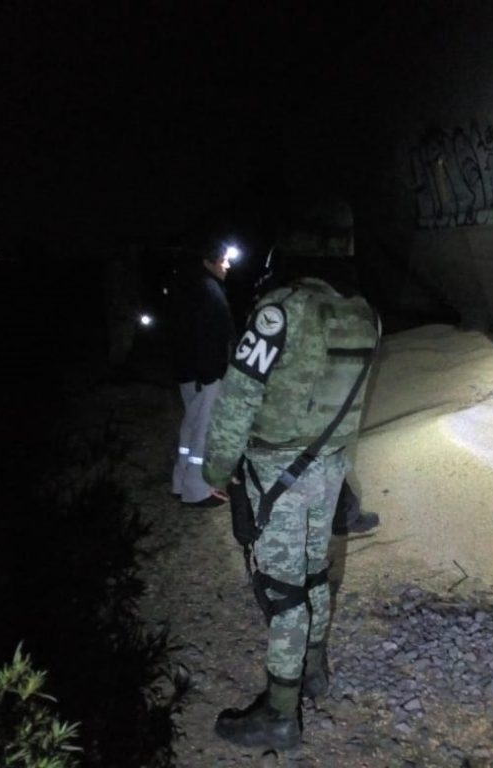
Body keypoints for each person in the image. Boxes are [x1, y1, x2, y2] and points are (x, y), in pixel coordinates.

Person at [202, 199, 380, 749]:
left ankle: (281, 714)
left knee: (281, 592)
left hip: (276, 471)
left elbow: (237, 400)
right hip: (328, 468)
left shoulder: (279, 310)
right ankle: (314, 674)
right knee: (312, 576)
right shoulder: (364, 313)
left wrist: (217, 469)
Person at [170, 241, 237, 507]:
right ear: (207, 261)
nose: (228, 265)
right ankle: (198, 490)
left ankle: (181, 481)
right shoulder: (207, 290)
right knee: (204, 432)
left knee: (190, 429)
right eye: (223, 260)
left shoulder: (186, 285)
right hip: (205, 375)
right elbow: (210, 336)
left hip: (188, 372)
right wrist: (211, 375)